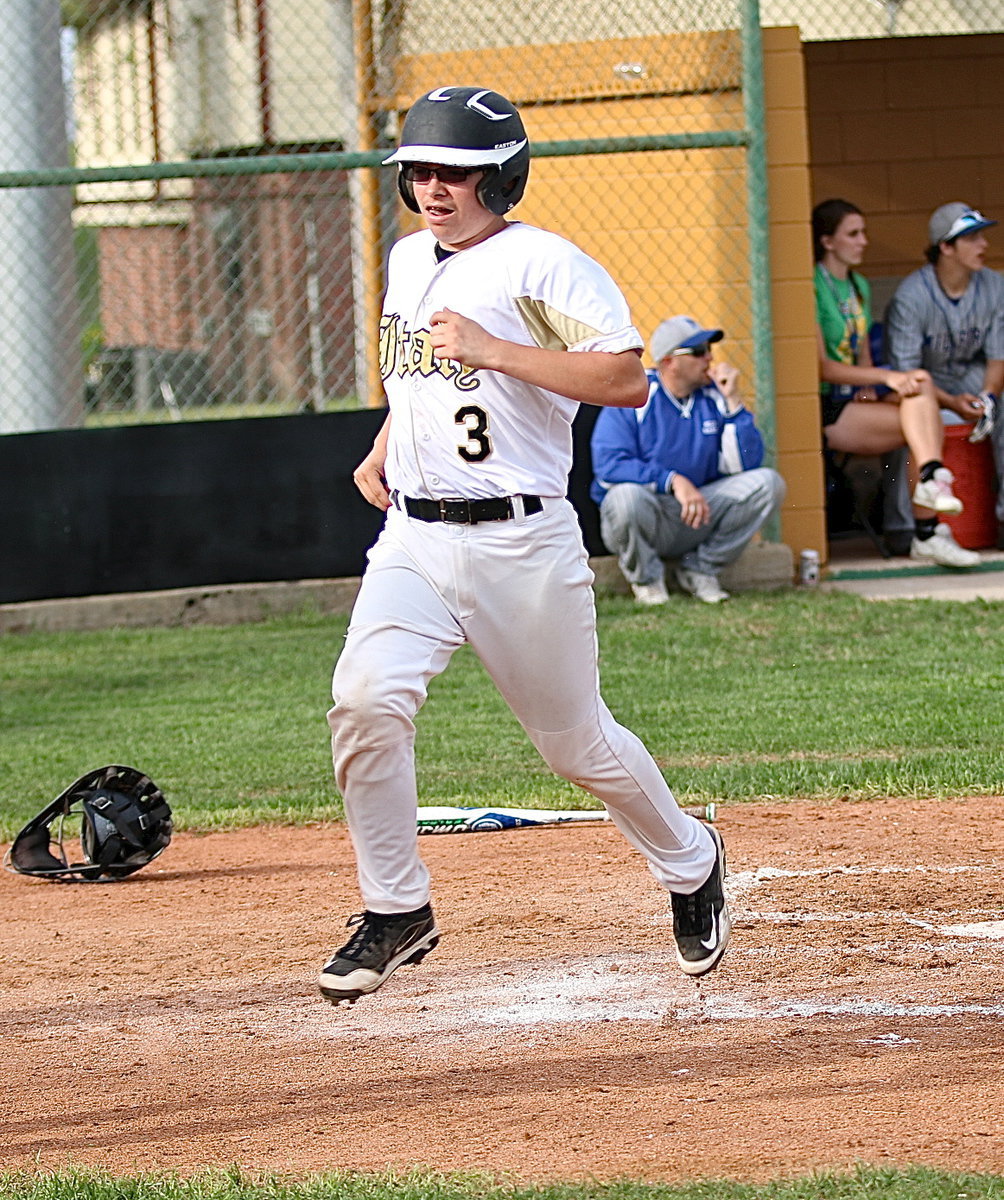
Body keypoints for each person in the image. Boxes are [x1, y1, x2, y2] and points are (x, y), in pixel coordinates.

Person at [319, 86, 729, 1004]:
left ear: (499, 176)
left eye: (455, 172)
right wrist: (391, 441)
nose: (433, 188)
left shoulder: (546, 264)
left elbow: (625, 380)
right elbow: (420, 377)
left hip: (521, 543)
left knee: (576, 747)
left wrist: (500, 350)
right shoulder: (405, 256)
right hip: (413, 539)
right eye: (419, 171)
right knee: (364, 699)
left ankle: (690, 858)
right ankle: (396, 907)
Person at [812, 198, 979, 569]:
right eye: (853, 234)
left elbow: (862, 359)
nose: (863, 241)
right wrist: (887, 377)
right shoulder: (812, 285)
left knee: (920, 387)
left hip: (856, 400)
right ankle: (928, 528)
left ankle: (931, 478)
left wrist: (875, 384)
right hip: (827, 408)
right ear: (828, 242)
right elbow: (824, 368)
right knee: (919, 405)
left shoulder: (858, 285)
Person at [589, 316, 785, 605]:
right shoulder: (636, 395)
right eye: (697, 352)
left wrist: (733, 402)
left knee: (768, 483)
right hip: (649, 513)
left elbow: (744, 466)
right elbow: (609, 466)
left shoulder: (713, 397)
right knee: (625, 497)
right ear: (669, 362)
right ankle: (648, 581)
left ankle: (700, 570)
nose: (709, 358)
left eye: (708, 350)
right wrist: (671, 480)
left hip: (698, 512)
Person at [885, 202, 1004, 538]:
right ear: (946, 247)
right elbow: (906, 374)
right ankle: (904, 527)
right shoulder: (912, 296)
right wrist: (951, 402)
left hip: (969, 374)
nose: (984, 245)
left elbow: (998, 357)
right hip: (924, 382)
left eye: (982, 236)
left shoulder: (994, 286)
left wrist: (989, 397)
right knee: (907, 413)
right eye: (972, 238)